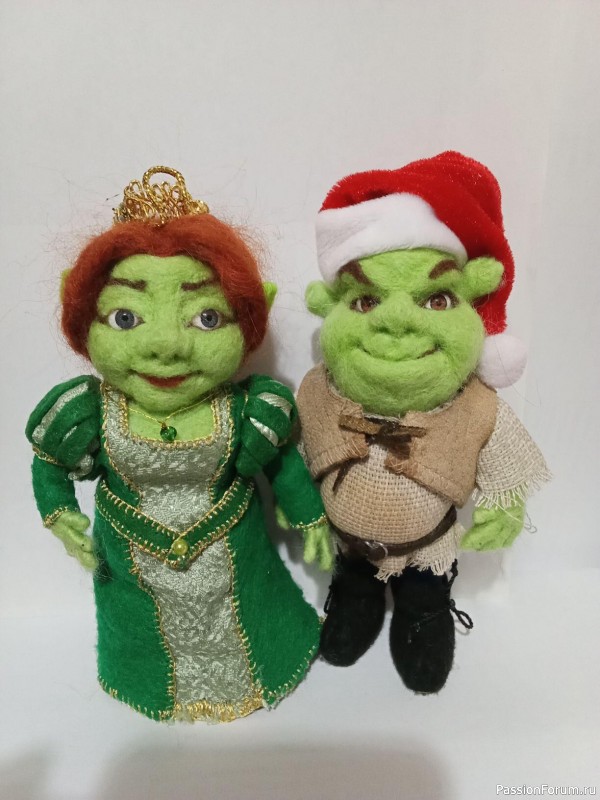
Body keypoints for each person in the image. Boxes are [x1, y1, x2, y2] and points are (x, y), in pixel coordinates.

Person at [26, 166, 332, 722]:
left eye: (206, 317)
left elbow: (281, 461)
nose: (166, 345)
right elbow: (50, 462)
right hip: (133, 571)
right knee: (142, 630)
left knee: (250, 615)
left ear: (250, 317)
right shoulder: (88, 413)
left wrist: (308, 514)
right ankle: (146, 680)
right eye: (126, 317)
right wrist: (59, 511)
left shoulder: (250, 410)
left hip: (237, 562)